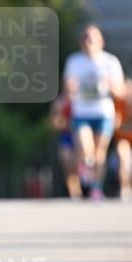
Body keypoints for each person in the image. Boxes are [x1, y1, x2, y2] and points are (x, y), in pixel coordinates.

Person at [63, 25, 126, 200]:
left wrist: (111, 85)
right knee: (85, 148)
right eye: (85, 38)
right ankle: (84, 168)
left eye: (92, 38)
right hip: (81, 112)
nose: (88, 42)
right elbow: (66, 90)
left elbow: (121, 91)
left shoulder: (110, 62)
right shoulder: (74, 61)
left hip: (103, 113)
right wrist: (70, 89)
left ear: (101, 42)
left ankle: (96, 188)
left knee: (100, 153)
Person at [49, 94, 81, 198]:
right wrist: (66, 123)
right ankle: (73, 192)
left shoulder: (81, 100)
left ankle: (80, 186)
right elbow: (54, 122)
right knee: (66, 163)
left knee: (76, 164)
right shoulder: (59, 102)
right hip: (66, 136)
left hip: (79, 135)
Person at [113, 79, 132, 201]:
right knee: (124, 159)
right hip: (124, 139)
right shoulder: (119, 105)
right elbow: (116, 127)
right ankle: (125, 188)